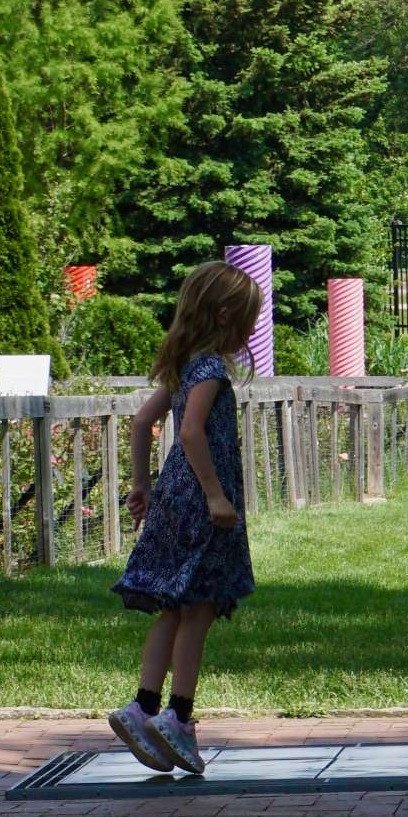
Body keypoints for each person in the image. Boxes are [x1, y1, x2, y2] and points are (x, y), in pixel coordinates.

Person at [107, 261, 262, 776]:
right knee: (199, 609)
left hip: (175, 496)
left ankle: (142, 706)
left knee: (171, 607)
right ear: (224, 316)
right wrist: (217, 497)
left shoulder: (185, 365)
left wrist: (142, 485)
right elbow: (191, 432)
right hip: (200, 502)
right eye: (246, 321)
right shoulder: (211, 369)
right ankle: (179, 716)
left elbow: (142, 422)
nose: (248, 334)